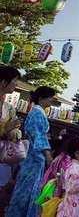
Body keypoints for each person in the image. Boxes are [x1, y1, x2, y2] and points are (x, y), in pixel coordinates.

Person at [7, 86, 56, 217]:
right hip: (35, 156)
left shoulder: (36, 112)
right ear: (41, 98)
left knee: (27, 186)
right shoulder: (37, 113)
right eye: (50, 98)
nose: (51, 101)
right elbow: (39, 135)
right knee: (28, 187)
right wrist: (48, 154)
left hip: (33, 155)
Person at [0, 66, 21, 209]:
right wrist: (6, 129)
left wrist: (15, 132)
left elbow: (17, 132)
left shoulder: (9, 108)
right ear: (3, 82)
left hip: (3, 156)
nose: (16, 85)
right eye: (14, 81)